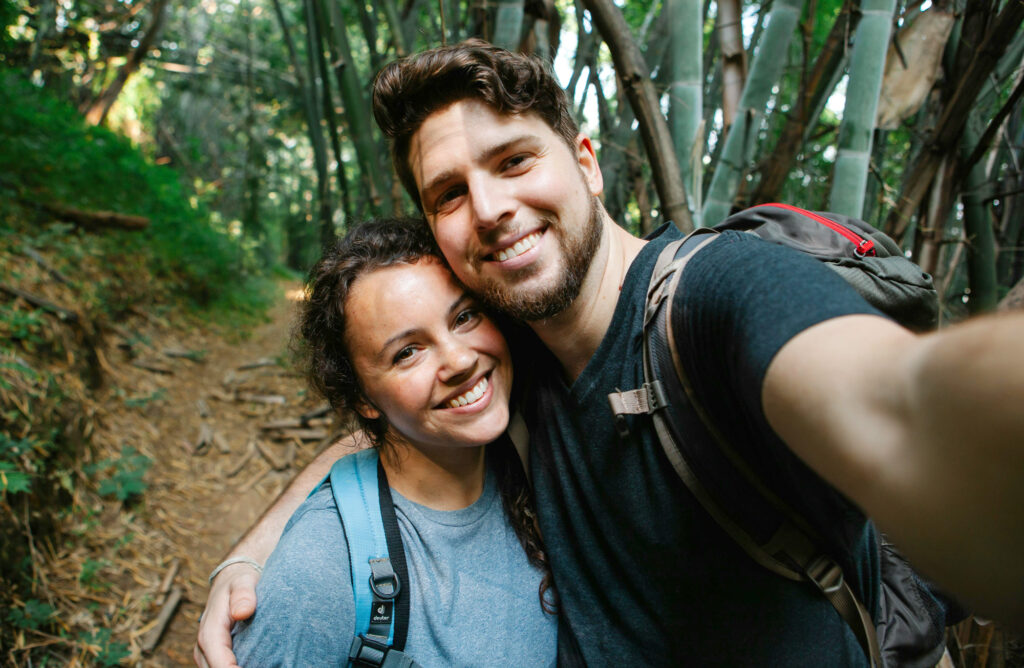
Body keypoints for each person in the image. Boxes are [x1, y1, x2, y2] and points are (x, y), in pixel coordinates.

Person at [197, 40, 1024, 666]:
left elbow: (898, 401)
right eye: (449, 194)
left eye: (514, 161)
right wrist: (251, 554)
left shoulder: (715, 301)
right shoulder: (503, 348)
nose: (490, 209)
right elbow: (382, 430)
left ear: (586, 165)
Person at [229, 217, 557, 666]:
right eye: (408, 352)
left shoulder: (539, 458)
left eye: (464, 316)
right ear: (364, 399)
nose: (460, 360)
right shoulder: (318, 573)